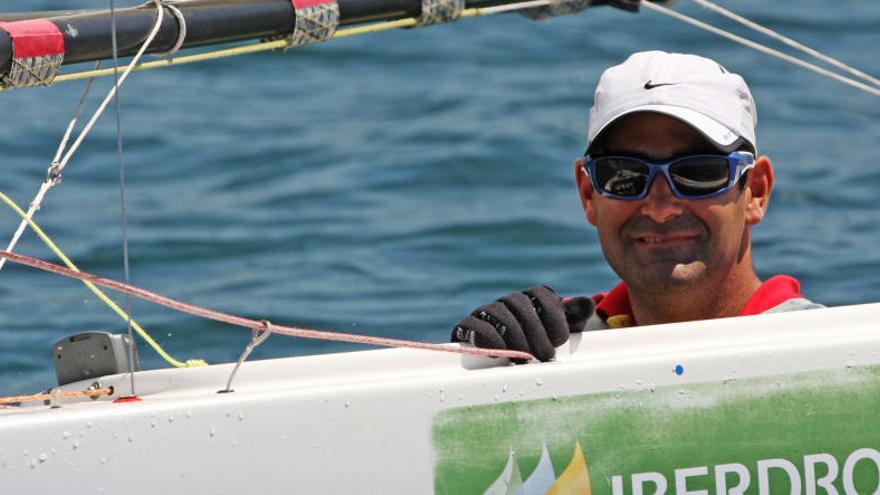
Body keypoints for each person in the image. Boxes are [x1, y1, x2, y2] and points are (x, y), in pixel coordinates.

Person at [451, 50, 822, 362]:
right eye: (624, 175)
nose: (660, 208)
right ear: (588, 194)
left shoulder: (833, 349)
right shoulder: (554, 343)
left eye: (698, 173)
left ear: (755, 191)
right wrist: (475, 361)